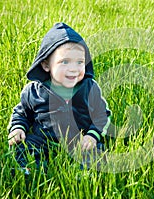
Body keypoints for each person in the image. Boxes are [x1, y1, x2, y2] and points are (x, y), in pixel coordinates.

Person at [8, 22, 111, 174]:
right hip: (44, 139)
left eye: (80, 62)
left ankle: (82, 173)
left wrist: (92, 135)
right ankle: (32, 170)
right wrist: (17, 127)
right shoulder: (34, 91)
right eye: (65, 62)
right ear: (46, 65)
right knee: (26, 147)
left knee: (96, 153)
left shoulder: (89, 88)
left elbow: (102, 114)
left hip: (80, 139)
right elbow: (22, 112)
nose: (73, 69)